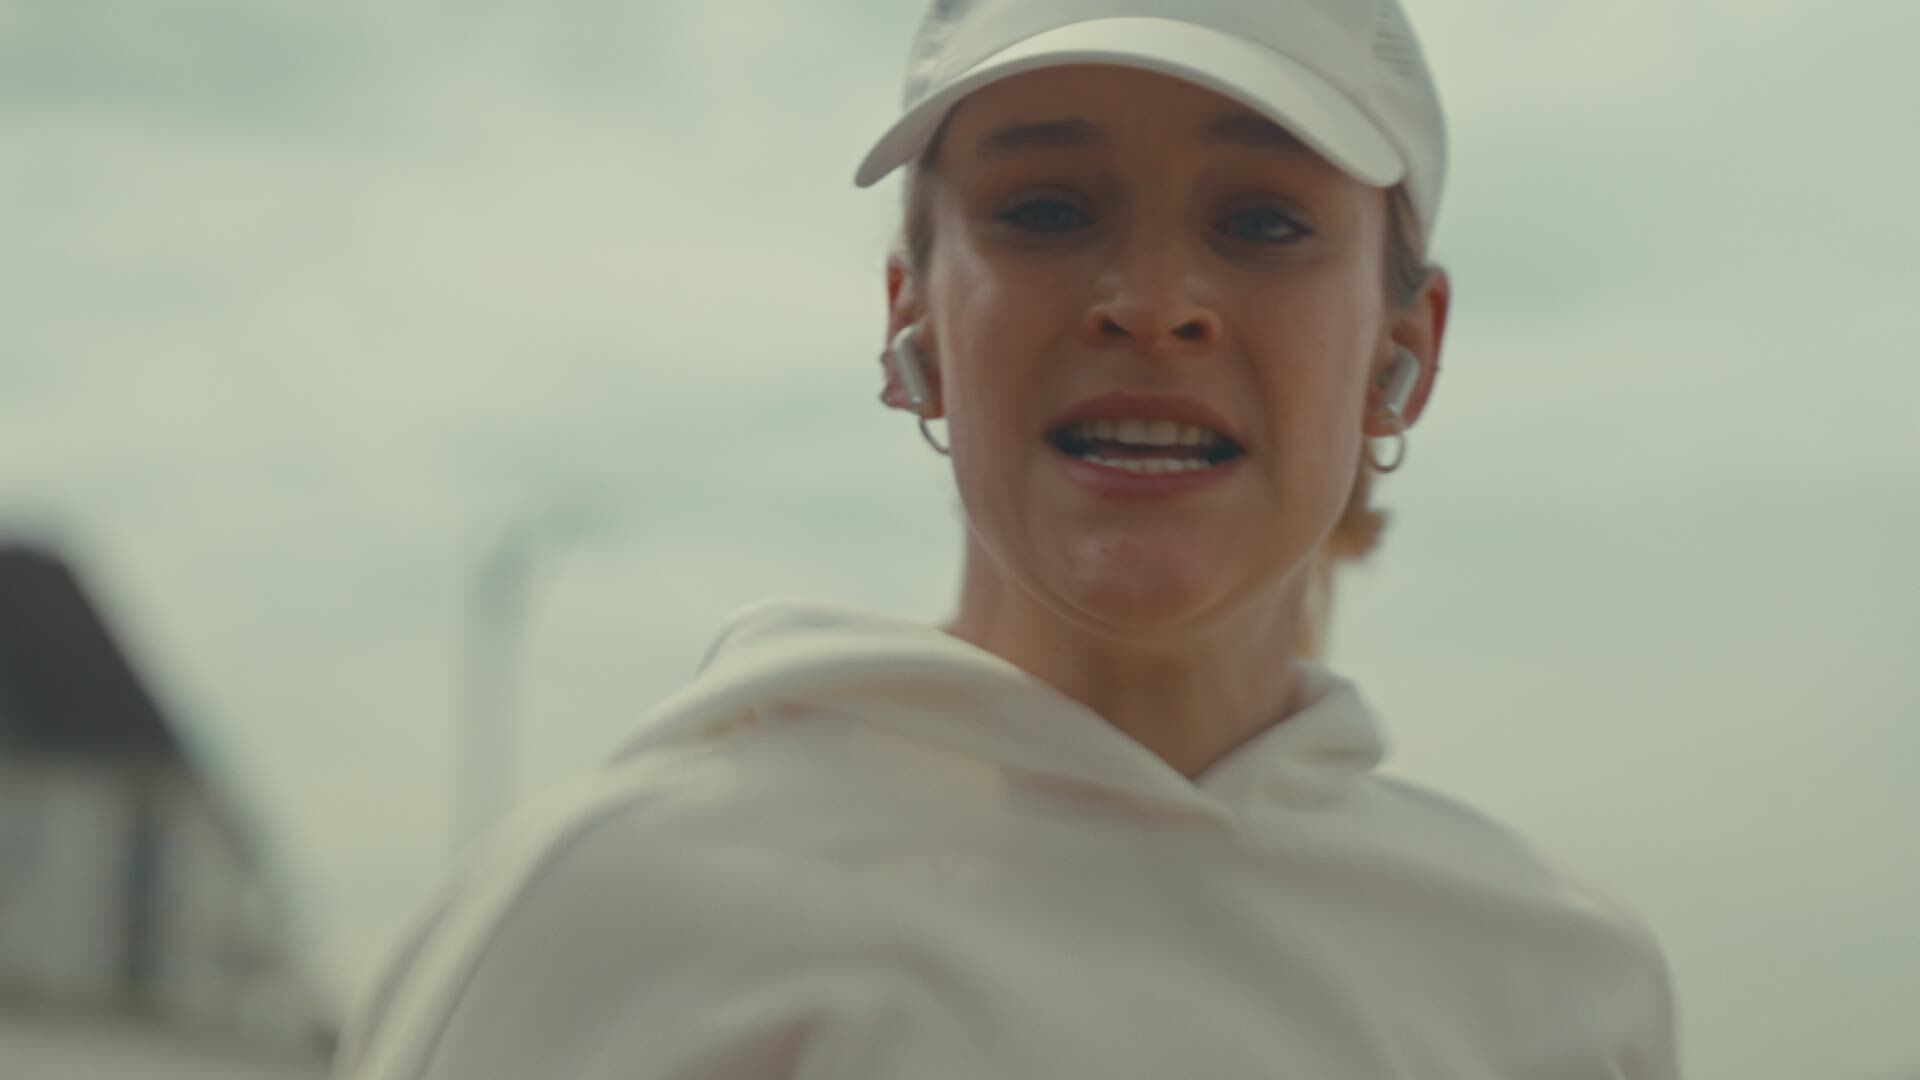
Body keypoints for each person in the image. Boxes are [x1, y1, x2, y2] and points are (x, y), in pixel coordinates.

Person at [333, 1, 1681, 1077]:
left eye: (1262, 221)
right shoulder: (625, 909)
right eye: (1046, 209)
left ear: (1407, 347)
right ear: (910, 316)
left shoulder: (1560, 989)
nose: (1153, 303)